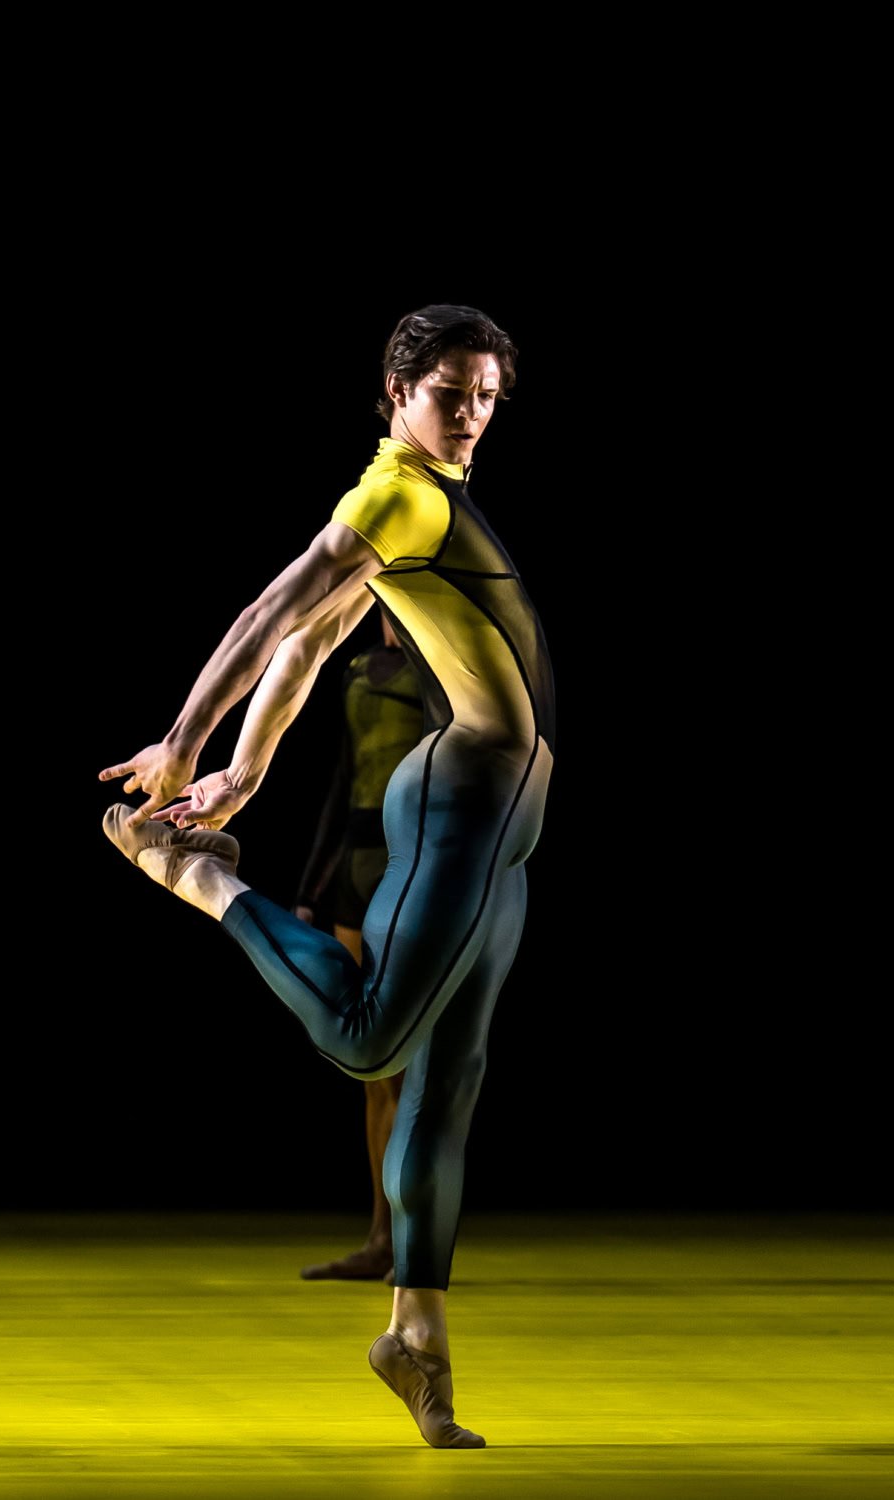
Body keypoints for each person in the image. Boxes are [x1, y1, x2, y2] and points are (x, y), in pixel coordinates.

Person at [99, 304, 555, 1450]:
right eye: (451, 393)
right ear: (397, 391)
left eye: (487, 396)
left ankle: (416, 1339)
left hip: (507, 819)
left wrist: (247, 770)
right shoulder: (398, 491)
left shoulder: (423, 500)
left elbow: (311, 643)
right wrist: (184, 746)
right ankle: (196, 881)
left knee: (449, 1079)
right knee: (366, 1041)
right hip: (460, 795)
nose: (472, 414)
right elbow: (274, 610)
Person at [294, 612, 423, 1286]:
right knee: (372, 1068)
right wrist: (309, 890)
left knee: (414, 1066)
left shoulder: (440, 677)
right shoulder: (353, 670)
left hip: (410, 866)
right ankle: (380, 1239)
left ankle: (412, 1242)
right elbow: (343, 780)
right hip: (355, 867)